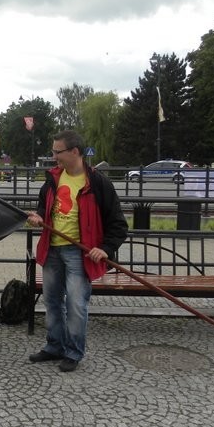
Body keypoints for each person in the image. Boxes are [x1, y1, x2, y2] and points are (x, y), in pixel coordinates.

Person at [26, 130, 127, 372]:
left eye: (57, 151)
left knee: (76, 304)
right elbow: (44, 206)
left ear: (74, 152)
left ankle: (73, 352)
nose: (53, 156)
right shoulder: (52, 180)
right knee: (51, 301)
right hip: (52, 248)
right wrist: (39, 216)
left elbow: (118, 224)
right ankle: (55, 346)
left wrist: (105, 249)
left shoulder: (98, 184)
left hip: (78, 253)